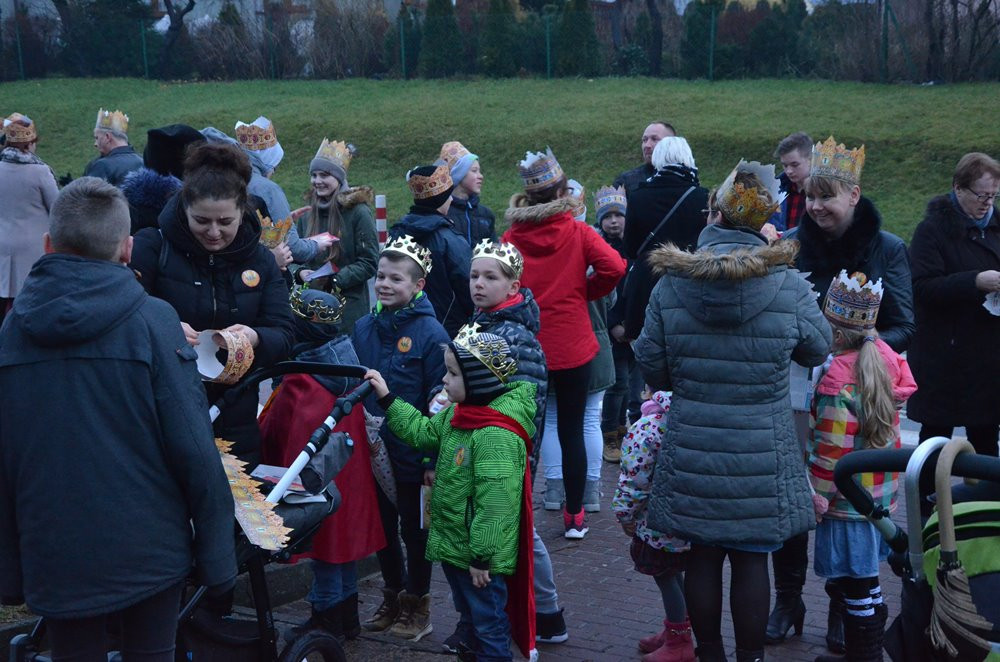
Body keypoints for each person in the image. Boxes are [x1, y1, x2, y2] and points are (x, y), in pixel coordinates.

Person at [0, 177, 236, 660]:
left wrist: (10, 567)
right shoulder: (154, 321)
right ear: (128, 249)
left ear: (48, 244)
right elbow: (193, 446)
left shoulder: (12, 329)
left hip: (54, 544)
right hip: (149, 546)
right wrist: (218, 562)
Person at [635, 160, 832, 662]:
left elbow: (653, 367)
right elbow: (818, 347)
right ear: (761, 223)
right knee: (751, 557)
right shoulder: (787, 284)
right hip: (763, 447)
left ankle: (710, 654)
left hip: (693, 444)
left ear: (716, 215)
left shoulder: (672, 283)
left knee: (702, 555)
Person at [769, 137, 914, 653]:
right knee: (793, 494)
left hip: (853, 393)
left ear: (853, 195)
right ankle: (788, 600)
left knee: (846, 496)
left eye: (826, 196)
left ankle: (841, 605)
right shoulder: (790, 244)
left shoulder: (887, 248)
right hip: (794, 391)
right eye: (810, 196)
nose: (815, 206)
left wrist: (856, 351)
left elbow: (904, 323)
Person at [364, 328, 537, 662]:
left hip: (478, 558)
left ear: (478, 379)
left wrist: (482, 557)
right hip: (457, 546)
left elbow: (496, 503)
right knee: (470, 616)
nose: (444, 379)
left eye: (453, 373)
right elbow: (423, 432)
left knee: (489, 624)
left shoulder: (494, 434)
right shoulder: (461, 414)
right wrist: (388, 399)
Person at [129, 141, 295, 465]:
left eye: (225, 221)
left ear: (242, 211)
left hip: (236, 420)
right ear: (184, 207)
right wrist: (163, 328)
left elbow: (285, 334)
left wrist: (255, 337)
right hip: (163, 416)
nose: (214, 232)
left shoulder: (260, 260)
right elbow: (121, 316)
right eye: (202, 220)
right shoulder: (152, 247)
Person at [503, 147, 625, 539]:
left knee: (523, 431)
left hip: (527, 346)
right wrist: (586, 291)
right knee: (573, 429)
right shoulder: (578, 231)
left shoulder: (512, 237)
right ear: (561, 193)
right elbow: (615, 267)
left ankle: (518, 512)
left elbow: (501, 283)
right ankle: (575, 515)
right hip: (573, 345)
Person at [259, 287, 385, 643]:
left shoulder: (302, 376)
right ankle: (347, 617)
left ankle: (326, 618)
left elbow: (279, 429)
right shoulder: (347, 368)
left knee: (326, 546)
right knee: (342, 546)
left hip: (317, 478)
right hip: (349, 477)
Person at [463, 239, 569, 648]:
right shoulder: (480, 323)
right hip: (476, 445)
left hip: (503, 450)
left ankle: (547, 613)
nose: (479, 284)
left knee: (519, 530)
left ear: (513, 286)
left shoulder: (514, 337)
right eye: (474, 275)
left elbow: (521, 404)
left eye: (490, 277)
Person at [806, 270, 916, 662]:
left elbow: (831, 452)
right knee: (867, 581)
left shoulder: (838, 379)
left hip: (846, 502)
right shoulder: (885, 362)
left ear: (835, 335)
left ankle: (864, 656)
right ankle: (864, 651)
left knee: (856, 584)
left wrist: (817, 498)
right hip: (878, 499)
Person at [352, 236, 449, 641]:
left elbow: (441, 401)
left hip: (413, 452)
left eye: (396, 278)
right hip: (373, 450)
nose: (385, 284)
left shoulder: (431, 333)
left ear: (418, 285)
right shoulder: (363, 327)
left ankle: (417, 604)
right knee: (382, 529)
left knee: (416, 529)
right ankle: (392, 596)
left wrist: (432, 460)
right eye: (380, 276)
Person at [907, 152, 1000, 458]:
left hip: (988, 356)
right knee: (935, 442)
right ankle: (926, 489)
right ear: (958, 188)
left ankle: (985, 491)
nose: (987, 203)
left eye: (993, 195)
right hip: (944, 355)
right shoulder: (931, 230)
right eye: (981, 195)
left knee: (986, 441)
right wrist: (975, 281)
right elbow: (921, 287)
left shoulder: (997, 226)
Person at [538, 180, 615, 515]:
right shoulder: (591, 244)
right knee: (589, 420)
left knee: (554, 420)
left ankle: (555, 488)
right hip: (593, 345)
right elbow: (611, 295)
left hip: (553, 343)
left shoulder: (549, 247)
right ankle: (591, 490)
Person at [612, 390, 694, 662]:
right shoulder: (695, 416)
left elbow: (635, 478)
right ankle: (677, 627)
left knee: (665, 575)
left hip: (659, 520)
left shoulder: (650, 426)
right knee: (676, 571)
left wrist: (625, 513)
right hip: (694, 515)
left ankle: (679, 638)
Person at [621, 137, 709, 341]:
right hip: (688, 283)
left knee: (647, 348)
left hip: (647, 284)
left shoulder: (638, 196)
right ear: (688, 158)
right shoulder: (702, 197)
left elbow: (630, 248)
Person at [294, 138, 378, 333]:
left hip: (348, 308)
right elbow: (295, 255)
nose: (317, 181)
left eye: (324, 175)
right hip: (311, 308)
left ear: (339, 178)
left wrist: (336, 280)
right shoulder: (307, 214)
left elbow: (369, 261)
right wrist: (300, 273)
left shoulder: (358, 212)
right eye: (314, 175)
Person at [233, 117, 336, 273]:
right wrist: (316, 244)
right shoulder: (268, 189)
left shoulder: (229, 178)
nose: (273, 172)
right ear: (267, 162)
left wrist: (279, 219)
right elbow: (293, 248)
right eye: (274, 167)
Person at [389, 163, 474, 337]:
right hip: (447, 329)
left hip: (401, 325)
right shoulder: (450, 240)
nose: (451, 200)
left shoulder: (397, 233)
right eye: (448, 195)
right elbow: (468, 285)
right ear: (440, 198)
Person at [595, 184, 640, 461]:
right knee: (617, 383)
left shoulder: (635, 247)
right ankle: (609, 433)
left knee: (632, 384)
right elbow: (601, 293)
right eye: (607, 216)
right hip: (612, 329)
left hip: (633, 327)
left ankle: (622, 428)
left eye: (618, 215)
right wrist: (613, 324)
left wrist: (634, 324)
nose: (613, 221)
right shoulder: (598, 249)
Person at [0, 113, 58, 324]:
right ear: (30, 143)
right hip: (33, 249)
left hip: (2, 246)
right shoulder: (40, 171)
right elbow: (57, 208)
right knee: (28, 302)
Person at [441, 141, 497, 246]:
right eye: (474, 171)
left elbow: (494, 249)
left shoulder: (486, 215)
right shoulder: (442, 214)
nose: (481, 176)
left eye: (479, 171)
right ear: (459, 175)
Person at [614, 121, 677, 195]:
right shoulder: (626, 181)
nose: (647, 145)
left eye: (654, 139)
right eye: (644, 140)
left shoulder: (685, 179)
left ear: (671, 144)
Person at [83, 108, 143, 186]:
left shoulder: (102, 165)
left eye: (97, 138)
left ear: (107, 137)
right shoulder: (144, 160)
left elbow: (88, 192)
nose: (95, 144)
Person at [769, 131, 813, 232]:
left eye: (795, 165)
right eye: (785, 165)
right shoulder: (775, 190)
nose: (789, 171)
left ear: (810, 160)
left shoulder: (824, 190)